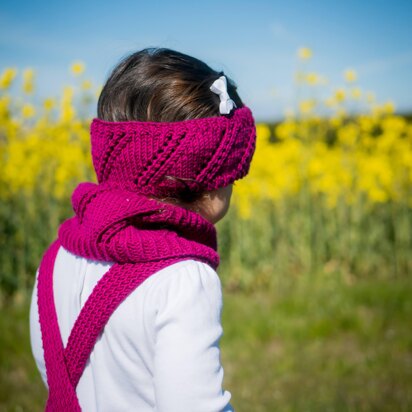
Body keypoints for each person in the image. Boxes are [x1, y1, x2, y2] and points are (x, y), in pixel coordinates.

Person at [29, 47, 256, 411]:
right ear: (205, 177)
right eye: (232, 170)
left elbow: (52, 367)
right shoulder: (183, 280)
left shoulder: (56, 256)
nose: (235, 180)